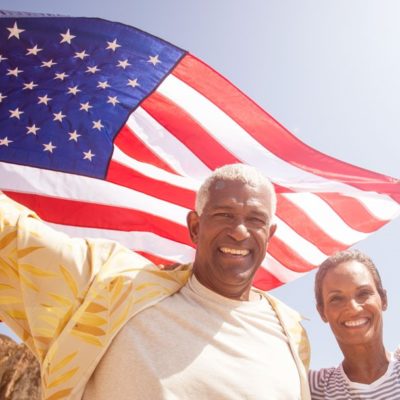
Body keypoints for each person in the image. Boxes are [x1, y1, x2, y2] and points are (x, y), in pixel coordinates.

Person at [0, 163, 310, 400]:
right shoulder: (114, 287)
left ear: (269, 236)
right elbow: (15, 237)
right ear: (195, 227)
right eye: (225, 215)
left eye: (255, 220)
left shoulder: (291, 335)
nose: (240, 231)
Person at [309, 249, 400, 399]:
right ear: (322, 312)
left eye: (363, 293)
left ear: (383, 299)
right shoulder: (314, 387)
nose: (353, 308)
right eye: (336, 299)